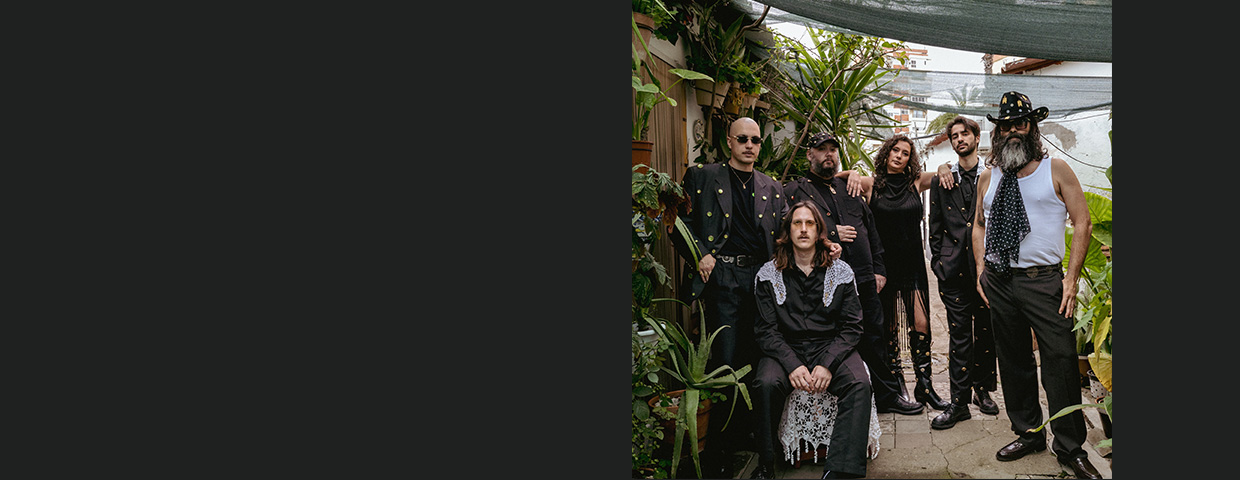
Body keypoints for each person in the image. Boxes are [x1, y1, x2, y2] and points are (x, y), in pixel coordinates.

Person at [972, 92, 1101, 479]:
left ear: (1032, 127)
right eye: (1005, 125)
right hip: (999, 280)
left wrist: (1071, 279)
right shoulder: (988, 177)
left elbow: (1083, 222)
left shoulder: (1055, 169)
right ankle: (1028, 433)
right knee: (1013, 360)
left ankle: (1070, 447)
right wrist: (980, 269)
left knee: (1060, 362)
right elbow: (978, 225)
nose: (1012, 130)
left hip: (1044, 282)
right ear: (998, 132)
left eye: (1020, 123)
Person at [672, 117, 793, 478]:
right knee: (724, 361)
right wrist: (700, 254)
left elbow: (788, 231)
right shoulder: (702, 176)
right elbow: (677, 220)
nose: (750, 145)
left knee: (757, 358)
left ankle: (749, 435)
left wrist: (827, 242)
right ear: (729, 142)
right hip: (722, 276)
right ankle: (718, 450)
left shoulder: (771, 186)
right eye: (743, 139)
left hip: (760, 277)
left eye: (755, 140)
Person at [783, 131, 924, 417]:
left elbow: (870, 229)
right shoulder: (796, 190)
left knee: (875, 336)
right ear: (809, 154)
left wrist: (879, 269)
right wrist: (831, 233)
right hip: (825, 281)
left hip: (864, 276)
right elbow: (792, 229)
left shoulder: (849, 187)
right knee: (836, 340)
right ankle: (841, 400)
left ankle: (887, 396)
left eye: (833, 149)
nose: (828, 154)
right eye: (821, 149)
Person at [750, 201, 871, 479]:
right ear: (788, 231)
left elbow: (852, 326)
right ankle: (766, 465)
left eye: (810, 224)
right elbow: (766, 330)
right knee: (765, 383)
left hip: (830, 346)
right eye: (797, 223)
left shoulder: (841, 272)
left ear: (819, 232)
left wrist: (827, 364)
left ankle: (840, 471)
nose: (803, 229)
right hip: (784, 348)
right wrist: (792, 365)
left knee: (859, 383)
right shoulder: (768, 275)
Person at [841, 136, 953, 412]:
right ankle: (896, 383)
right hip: (885, 266)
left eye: (905, 153)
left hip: (913, 264)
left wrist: (943, 167)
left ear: (909, 159)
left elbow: (941, 172)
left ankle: (925, 386)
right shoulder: (871, 184)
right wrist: (851, 172)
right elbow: (836, 178)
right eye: (895, 150)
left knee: (921, 323)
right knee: (888, 328)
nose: (899, 156)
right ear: (886, 153)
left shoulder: (916, 182)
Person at [927, 117, 1000, 430]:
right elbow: (934, 226)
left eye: (964, 134)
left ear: (976, 137)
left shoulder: (993, 175)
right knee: (959, 337)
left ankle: (982, 391)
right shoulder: (942, 179)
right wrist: (939, 263)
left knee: (986, 332)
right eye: (954, 136)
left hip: (987, 270)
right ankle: (959, 402)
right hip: (953, 270)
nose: (959, 139)